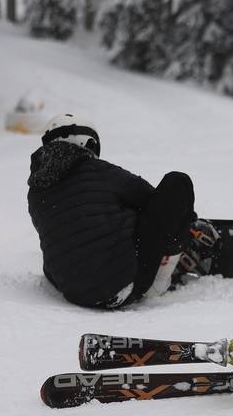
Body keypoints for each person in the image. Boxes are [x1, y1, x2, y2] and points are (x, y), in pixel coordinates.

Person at [27, 114, 201, 308]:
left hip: (73, 292)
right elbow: (152, 199)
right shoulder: (97, 170)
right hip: (123, 286)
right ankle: (160, 279)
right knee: (177, 183)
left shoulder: (35, 191)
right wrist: (184, 222)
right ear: (87, 141)